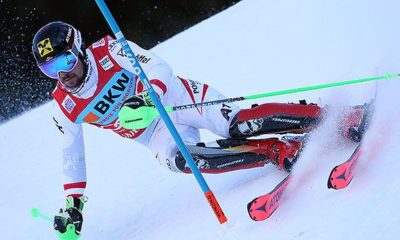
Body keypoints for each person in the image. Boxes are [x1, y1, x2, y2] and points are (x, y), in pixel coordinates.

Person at [32, 21, 367, 235]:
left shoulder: (110, 50)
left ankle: (339, 116)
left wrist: (149, 100)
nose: (63, 74)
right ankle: (277, 150)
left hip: (180, 100)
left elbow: (160, 69)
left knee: (239, 126)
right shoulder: (64, 105)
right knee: (185, 161)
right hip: (155, 135)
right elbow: (71, 155)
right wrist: (74, 202)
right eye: (51, 69)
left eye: (65, 61)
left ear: (79, 51)